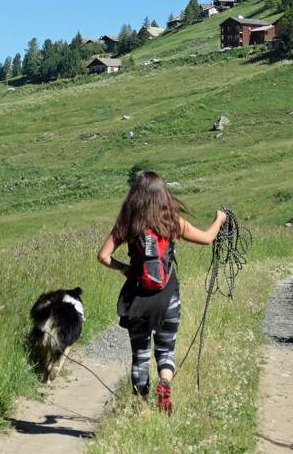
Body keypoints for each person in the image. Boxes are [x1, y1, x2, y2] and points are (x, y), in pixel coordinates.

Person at [97, 170, 228, 414]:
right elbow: (208, 238)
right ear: (162, 195)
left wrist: (124, 269)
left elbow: (103, 256)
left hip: (137, 300)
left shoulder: (128, 224)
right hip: (168, 297)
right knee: (166, 349)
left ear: (135, 196)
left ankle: (142, 407)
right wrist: (220, 219)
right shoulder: (173, 222)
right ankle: (165, 383)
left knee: (140, 354)